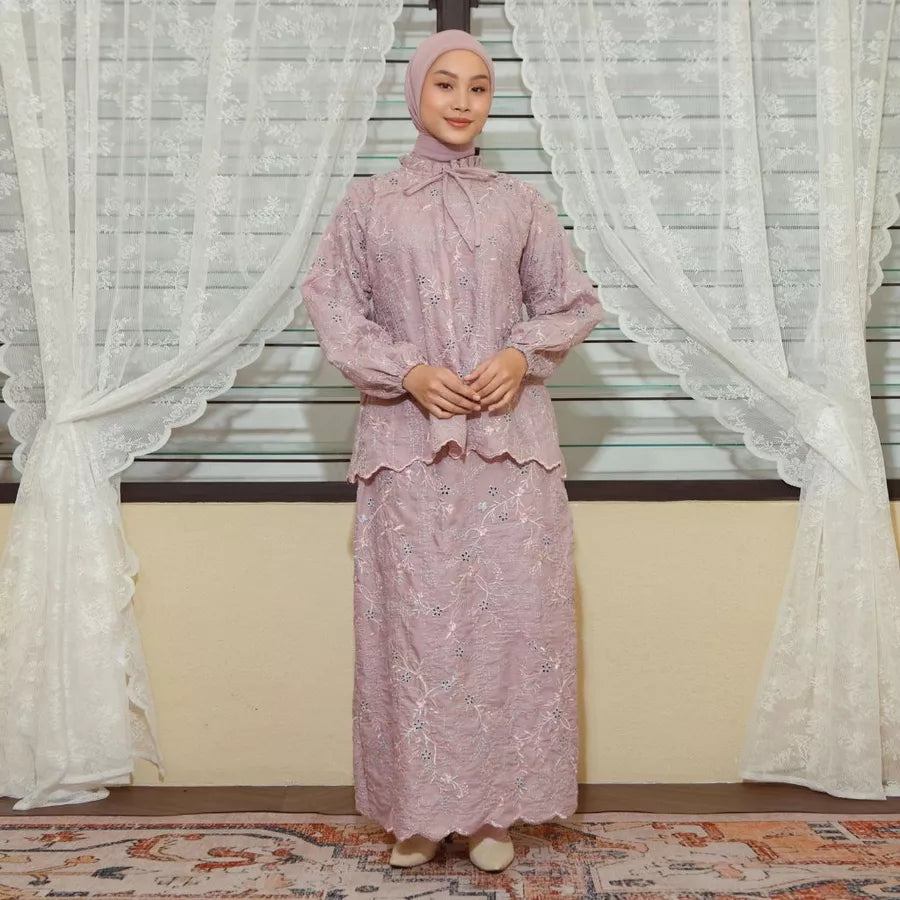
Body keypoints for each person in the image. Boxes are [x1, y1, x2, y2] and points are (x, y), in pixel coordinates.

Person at [301, 29, 602, 873]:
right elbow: (331, 307)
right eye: (446, 84)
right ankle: (418, 814)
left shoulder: (522, 204)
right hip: (407, 452)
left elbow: (572, 303)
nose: (463, 101)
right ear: (415, 93)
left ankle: (495, 811)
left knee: (511, 628)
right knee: (414, 634)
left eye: (478, 86)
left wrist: (517, 354)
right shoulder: (368, 205)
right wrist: (410, 371)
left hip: (514, 457)